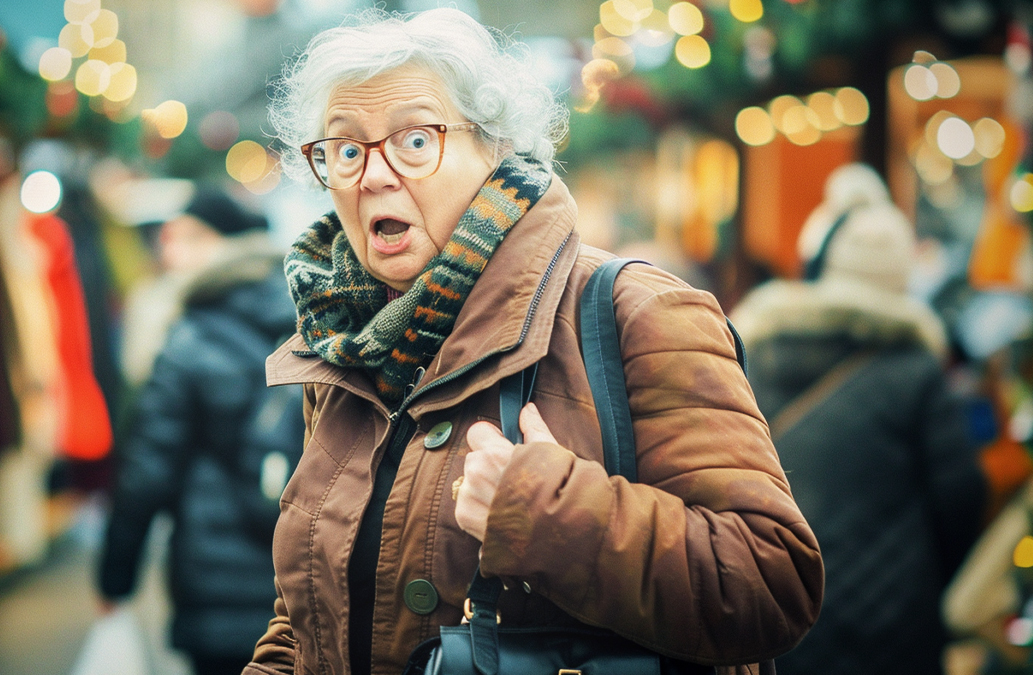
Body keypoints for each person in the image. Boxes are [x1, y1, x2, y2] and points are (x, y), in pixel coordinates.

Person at [248, 9, 825, 675]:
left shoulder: (641, 310)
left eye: (413, 140)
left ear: (495, 150)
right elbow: (304, 624)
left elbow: (773, 583)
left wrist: (549, 513)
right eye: (345, 148)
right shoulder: (342, 345)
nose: (371, 174)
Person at [729, 163, 988, 675]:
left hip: (775, 607)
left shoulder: (760, 349)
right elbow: (961, 497)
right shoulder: (916, 371)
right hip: (893, 627)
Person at [98, 186, 304, 675]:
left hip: (212, 585)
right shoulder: (307, 318)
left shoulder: (188, 336)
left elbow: (146, 471)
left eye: (192, 239)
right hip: (301, 579)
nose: (173, 253)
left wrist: (114, 580)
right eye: (171, 240)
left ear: (233, 245)